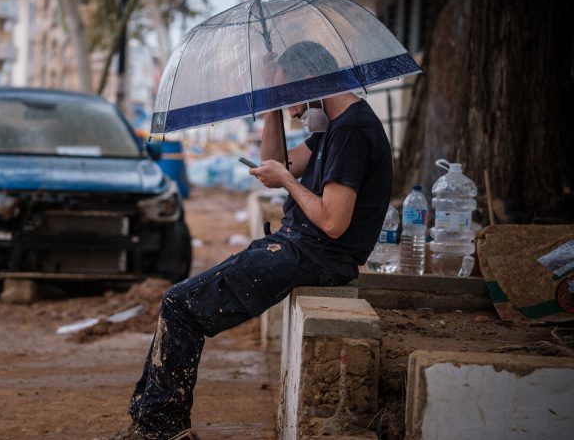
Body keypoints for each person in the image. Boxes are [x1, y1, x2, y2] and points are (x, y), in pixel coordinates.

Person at [97, 41, 393, 440]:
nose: (290, 107)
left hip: (317, 256)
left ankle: (160, 429)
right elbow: (278, 163)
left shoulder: (353, 131)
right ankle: (147, 424)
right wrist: (271, 104)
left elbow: (334, 221)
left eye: (288, 94)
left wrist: (288, 182)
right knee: (181, 300)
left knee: (182, 305)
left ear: (309, 82)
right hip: (297, 245)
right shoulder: (334, 125)